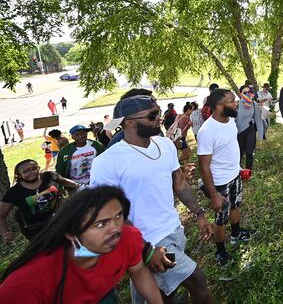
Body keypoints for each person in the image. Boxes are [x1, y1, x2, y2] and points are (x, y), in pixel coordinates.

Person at [90, 95, 214, 303]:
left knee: (164, 293)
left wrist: (199, 213)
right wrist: (145, 249)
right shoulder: (107, 161)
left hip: (174, 230)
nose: (159, 118)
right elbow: (104, 212)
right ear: (129, 123)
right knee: (198, 281)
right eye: (152, 115)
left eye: (158, 112)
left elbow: (179, 183)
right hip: (148, 240)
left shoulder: (165, 145)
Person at [0, 186, 163, 303]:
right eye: (101, 224)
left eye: (118, 216)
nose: (115, 229)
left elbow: (139, 272)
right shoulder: (26, 284)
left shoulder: (127, 237)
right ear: (71, 233)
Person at [197, 89, 252, 266]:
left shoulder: (230, 121)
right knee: (221, 219)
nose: (236, 103)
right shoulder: (207, 131)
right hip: (220, 182)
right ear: (219, 106)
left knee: (236, 205)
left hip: (234, 174)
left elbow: (230, 147)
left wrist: (238, 168)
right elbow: (204, 166)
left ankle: (236, 234)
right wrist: (214, 195)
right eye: (232, 101)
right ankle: (220, 252)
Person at [0, 160, 79, 240]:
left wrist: (78, 186)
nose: (32, 172)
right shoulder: (14, 192)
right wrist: (5, 233)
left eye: (34, 168)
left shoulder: (50, 176)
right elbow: (1, 215)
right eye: (26, 171)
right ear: (19, 175)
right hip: (36, 231)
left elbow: (64, 181)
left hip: (60, 221)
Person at [235, 85, 264, 171]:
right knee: (238, 153)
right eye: (245, 93)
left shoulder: (254, 104)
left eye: (249, 92)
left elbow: (258, 119)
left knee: (249, 152)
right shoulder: (236, 104)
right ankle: (236, 171)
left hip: (250, 129)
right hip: (238, 132)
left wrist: (260, 136)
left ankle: (248, 171)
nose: (247, 94)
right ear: (240, 94)